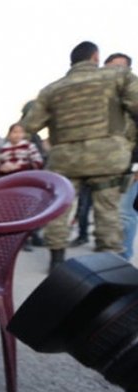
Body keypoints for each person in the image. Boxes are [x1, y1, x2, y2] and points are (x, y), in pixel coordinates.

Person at [22, 41, 138, 271]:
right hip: (107, 158)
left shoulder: (52, 89)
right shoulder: (118, 76)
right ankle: (109, 266)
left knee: (61, 210)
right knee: (108, 212)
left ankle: (56, 261)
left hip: (65, 161)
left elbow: (30, 125)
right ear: (95, 57)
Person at [103, 52, 138, 260]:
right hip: (105, 167)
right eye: (110, 66)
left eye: (119, 67)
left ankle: (121, 262)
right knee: (109, 218)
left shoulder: (133, 96)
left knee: (125, 215)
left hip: (130, 166)